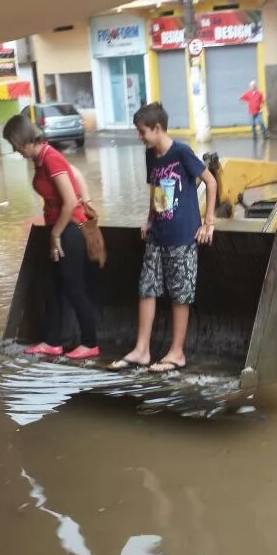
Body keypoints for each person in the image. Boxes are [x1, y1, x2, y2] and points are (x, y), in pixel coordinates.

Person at [109, 102, 217, 374]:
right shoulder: (151, 155)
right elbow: (156, 189)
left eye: (142, 131)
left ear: (157, 128)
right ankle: (142, 349)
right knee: (147, 287)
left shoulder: (181, 151)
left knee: (180, 294)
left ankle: (177, 353)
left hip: (182, 236)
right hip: (158, 234)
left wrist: (209, 223)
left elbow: (211, 181)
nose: (140, 137)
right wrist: (148, 220)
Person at [2, 114, 99, 360]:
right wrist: (85, 201)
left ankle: (90, 343)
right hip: (58, 229)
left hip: (69, 230)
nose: (15, 151)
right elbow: (75, 173)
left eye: (15, 145)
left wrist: (56, 234)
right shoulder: (42, 158)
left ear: (24, 140)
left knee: (74, 288)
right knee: (52, 288)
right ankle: (53, 342)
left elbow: (68, 201)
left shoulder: (50, 159)